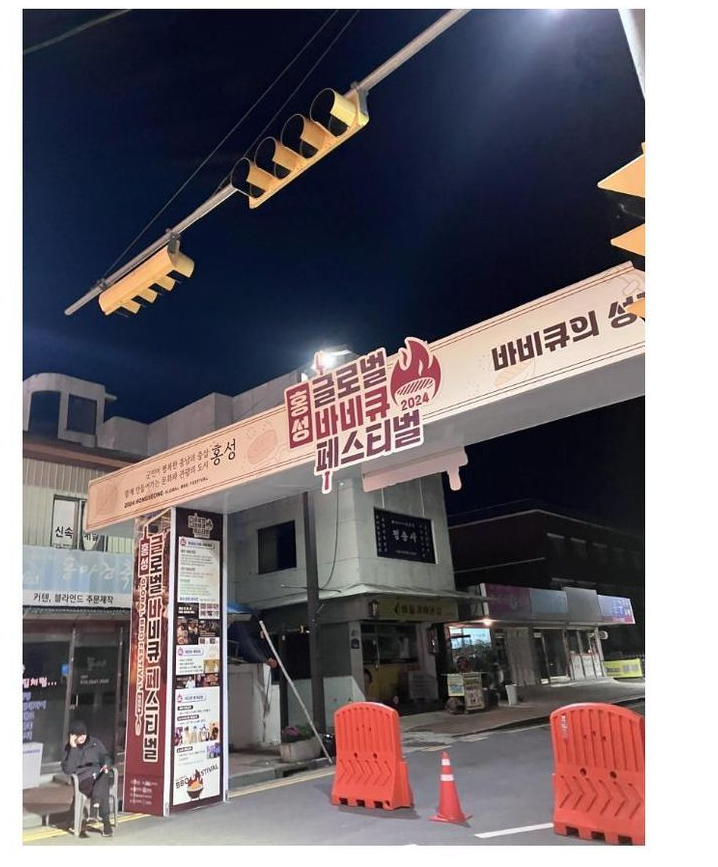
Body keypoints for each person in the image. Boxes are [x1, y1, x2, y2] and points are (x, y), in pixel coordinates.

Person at [61, 720, 114, 837]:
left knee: (103, 776)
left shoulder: (95, 743)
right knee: (103, 786)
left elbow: (106, 757)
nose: (82, 737)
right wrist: (73, 748)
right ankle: (106, 823)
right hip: (84, 781)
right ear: (72, 736)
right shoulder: (69, 748)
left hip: (99, 774)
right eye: (78, 735)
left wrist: (106, 765)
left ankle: (95, 808)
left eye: (84, 734)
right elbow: (68, 770)